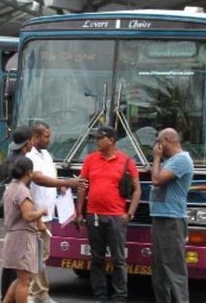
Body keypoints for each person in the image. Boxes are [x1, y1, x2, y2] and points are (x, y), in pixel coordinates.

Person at [75, 126, 141, 303]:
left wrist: (129, 214)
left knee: (119, 260)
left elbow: (137, 190)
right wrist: (79, 212)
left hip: (117, 218)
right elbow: (83, 186)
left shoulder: (127, 162)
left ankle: (119, 297)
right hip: (93, 216)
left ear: (111, 140)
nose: (96, 141)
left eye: (99, 138)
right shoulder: (90, 160)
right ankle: (100, 296)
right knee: (97, 259)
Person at [26, 122, 82, 303]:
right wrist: (66, 183)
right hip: (35, 214)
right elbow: (39, 179)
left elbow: (50, 177)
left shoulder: (46, 155)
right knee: (36, 255)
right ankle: (34, 294)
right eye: (46, 136)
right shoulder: (30, 157)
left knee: (43, 255)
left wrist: (61, 187)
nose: (49, 140)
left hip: (48, 213)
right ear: (35, 137)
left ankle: (39, 293)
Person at [149, 128, 193, 303]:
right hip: (161, 218)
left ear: (167, 141)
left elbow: (157, 180)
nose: (157, 146)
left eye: (159, 141)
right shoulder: (172, 161)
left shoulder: (181, 160)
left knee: (174, 269)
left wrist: (157, 158)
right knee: (159, 270)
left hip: (172, 219)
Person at [1, 157, 47, 303]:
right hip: (23, 238)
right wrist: (42, 212)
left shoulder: (10, 188)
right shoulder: (22, 191)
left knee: (21, 278)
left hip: (12, 237)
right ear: (29, 172)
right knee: (24, 281)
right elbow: (28, 216)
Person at [0, 126, 34, 301]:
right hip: (20, 229)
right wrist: (41, 211)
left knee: (12, 269)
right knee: (22, 278)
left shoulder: (8, 161)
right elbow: (27, 215)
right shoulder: (22, 187)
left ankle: (5, 298)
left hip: (10, 221)